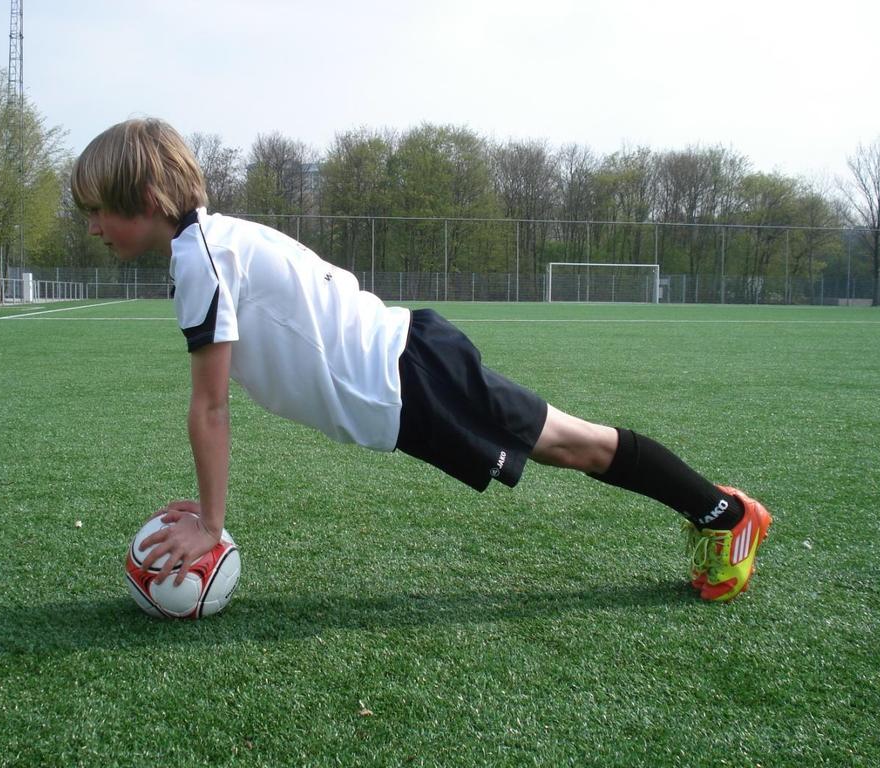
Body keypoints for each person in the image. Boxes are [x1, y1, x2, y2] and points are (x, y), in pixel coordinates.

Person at [71, 118, 771, 604]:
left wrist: (212, 525)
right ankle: (718, 508)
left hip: (409, 383)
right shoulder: (211, 242)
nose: (94, 227)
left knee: (574, 445)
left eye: (100, 210)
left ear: (150, 199)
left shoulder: (203, 259)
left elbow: (211, 406)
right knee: (570, 444)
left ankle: (724, 514)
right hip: (410, 372)